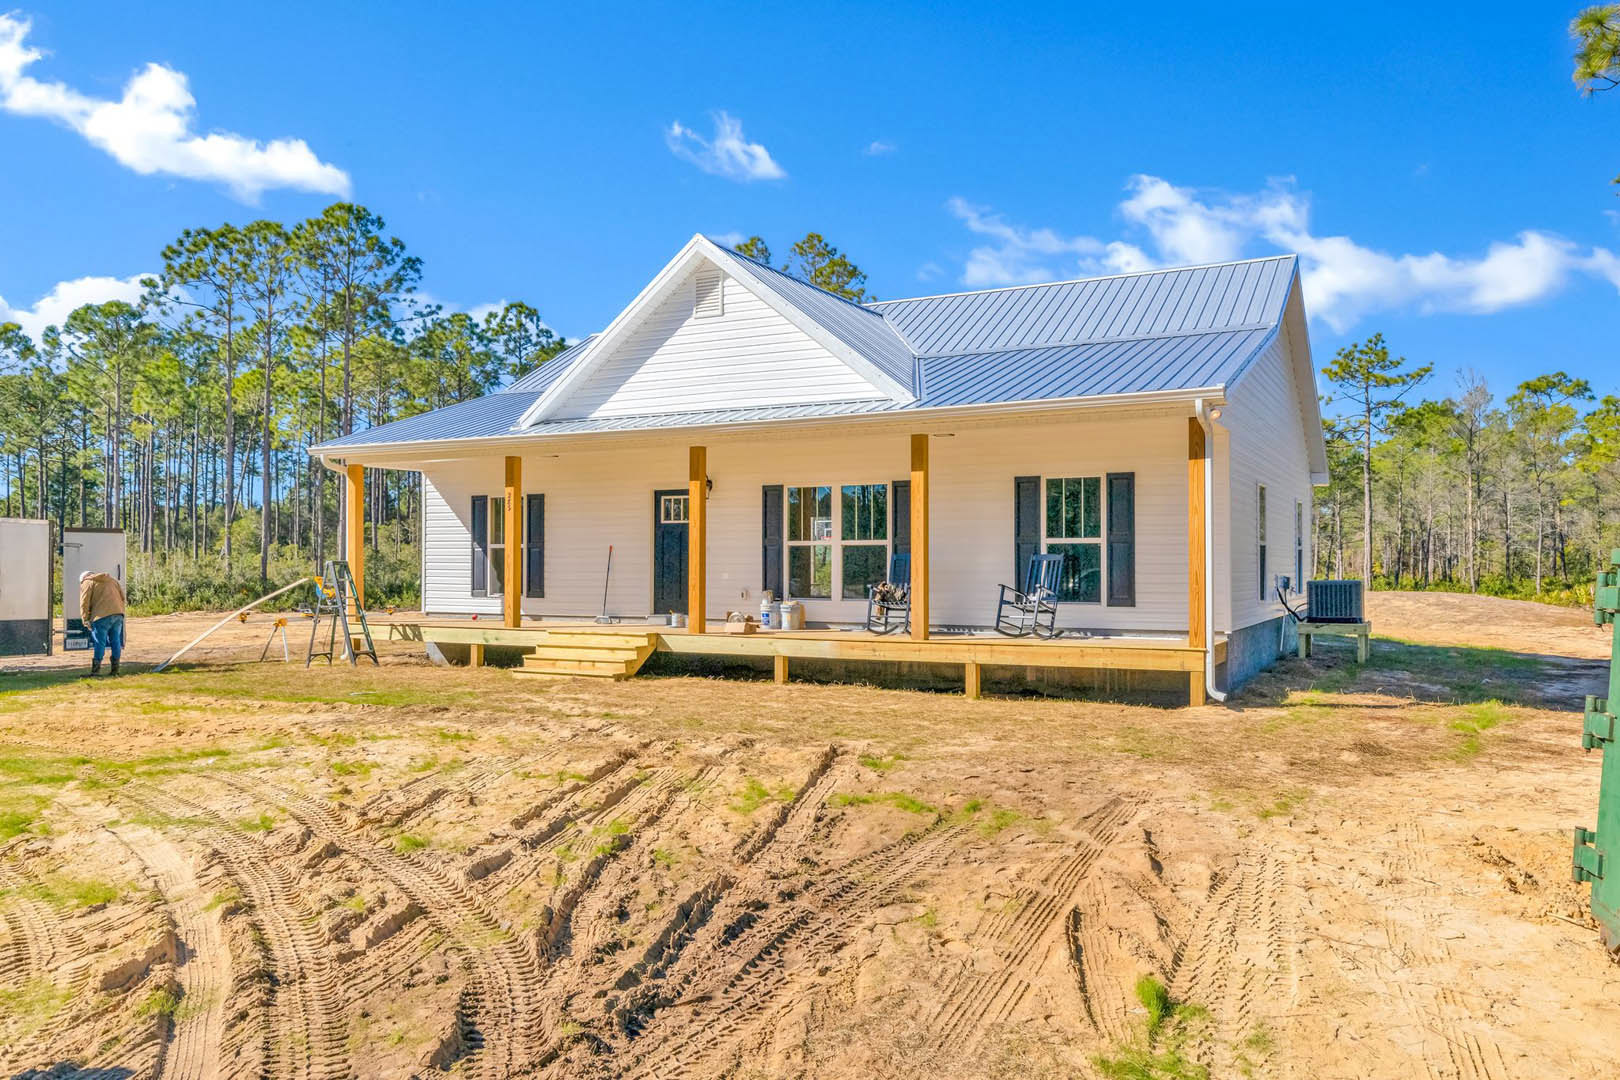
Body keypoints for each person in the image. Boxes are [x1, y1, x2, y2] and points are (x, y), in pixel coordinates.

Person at [79, 570, 126, 677]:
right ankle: (115, 671)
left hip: (101, 617)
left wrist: (85, 619)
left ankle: (95, 672)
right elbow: (122, 597)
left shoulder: (88, 582)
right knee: (115, 641)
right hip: (118, 614)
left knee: (99, 642)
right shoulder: (112, 580)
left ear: (84, 578)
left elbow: (84, 602)